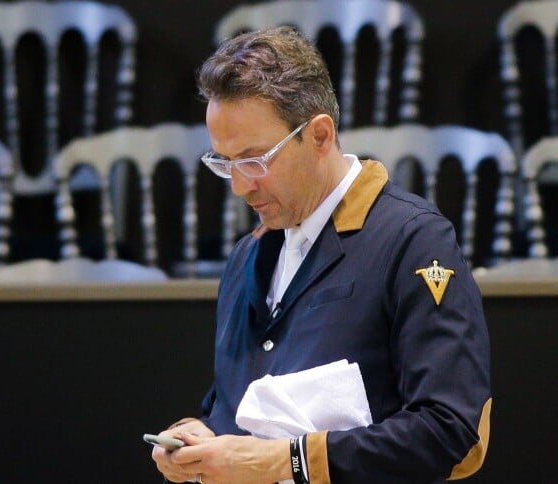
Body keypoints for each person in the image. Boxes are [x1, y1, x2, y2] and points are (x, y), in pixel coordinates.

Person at [150, 25, 492, 484]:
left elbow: (450, 431)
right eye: (224, 163)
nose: (239, 185)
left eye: (254, 160)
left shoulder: (413, 239)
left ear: (320, 134)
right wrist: (197, 440)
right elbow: (232, 413)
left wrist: (281, 460)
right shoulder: (246, 257)